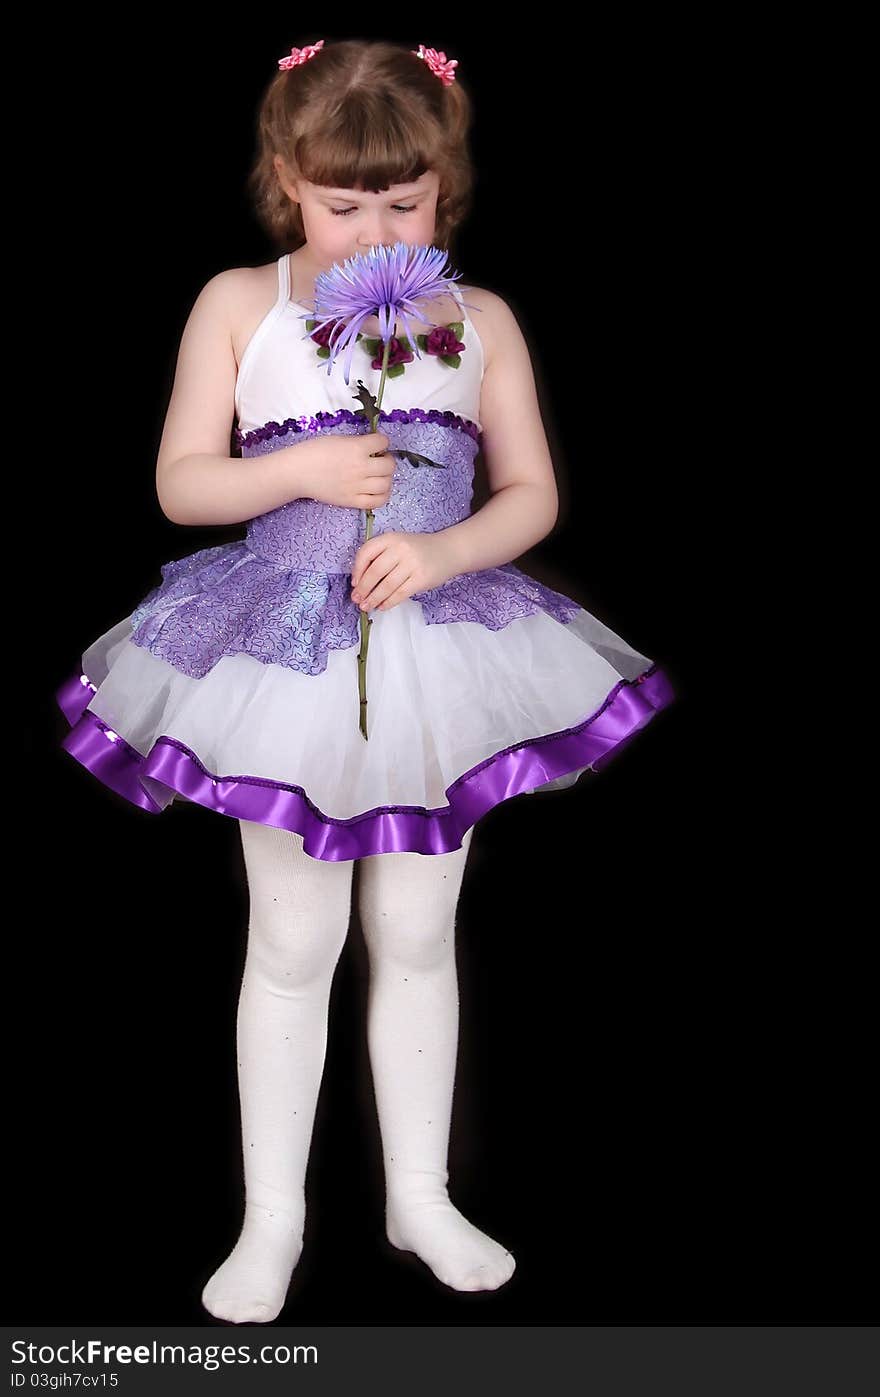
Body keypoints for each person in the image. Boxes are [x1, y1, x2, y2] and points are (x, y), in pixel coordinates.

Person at [54, 38, 675, 1323]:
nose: (374, 228)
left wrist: (445, 545)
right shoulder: (241, 302)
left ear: (445, 185)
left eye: (406, 204)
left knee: (414, 930)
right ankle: (273, 1218)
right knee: (292, 938)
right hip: (280, 649)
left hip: (437, 651)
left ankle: (420, 1194)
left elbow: (533, 491)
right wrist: (296, 471)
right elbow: (181, 480)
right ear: (288, 178)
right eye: (345, 206)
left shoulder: (476, 318)